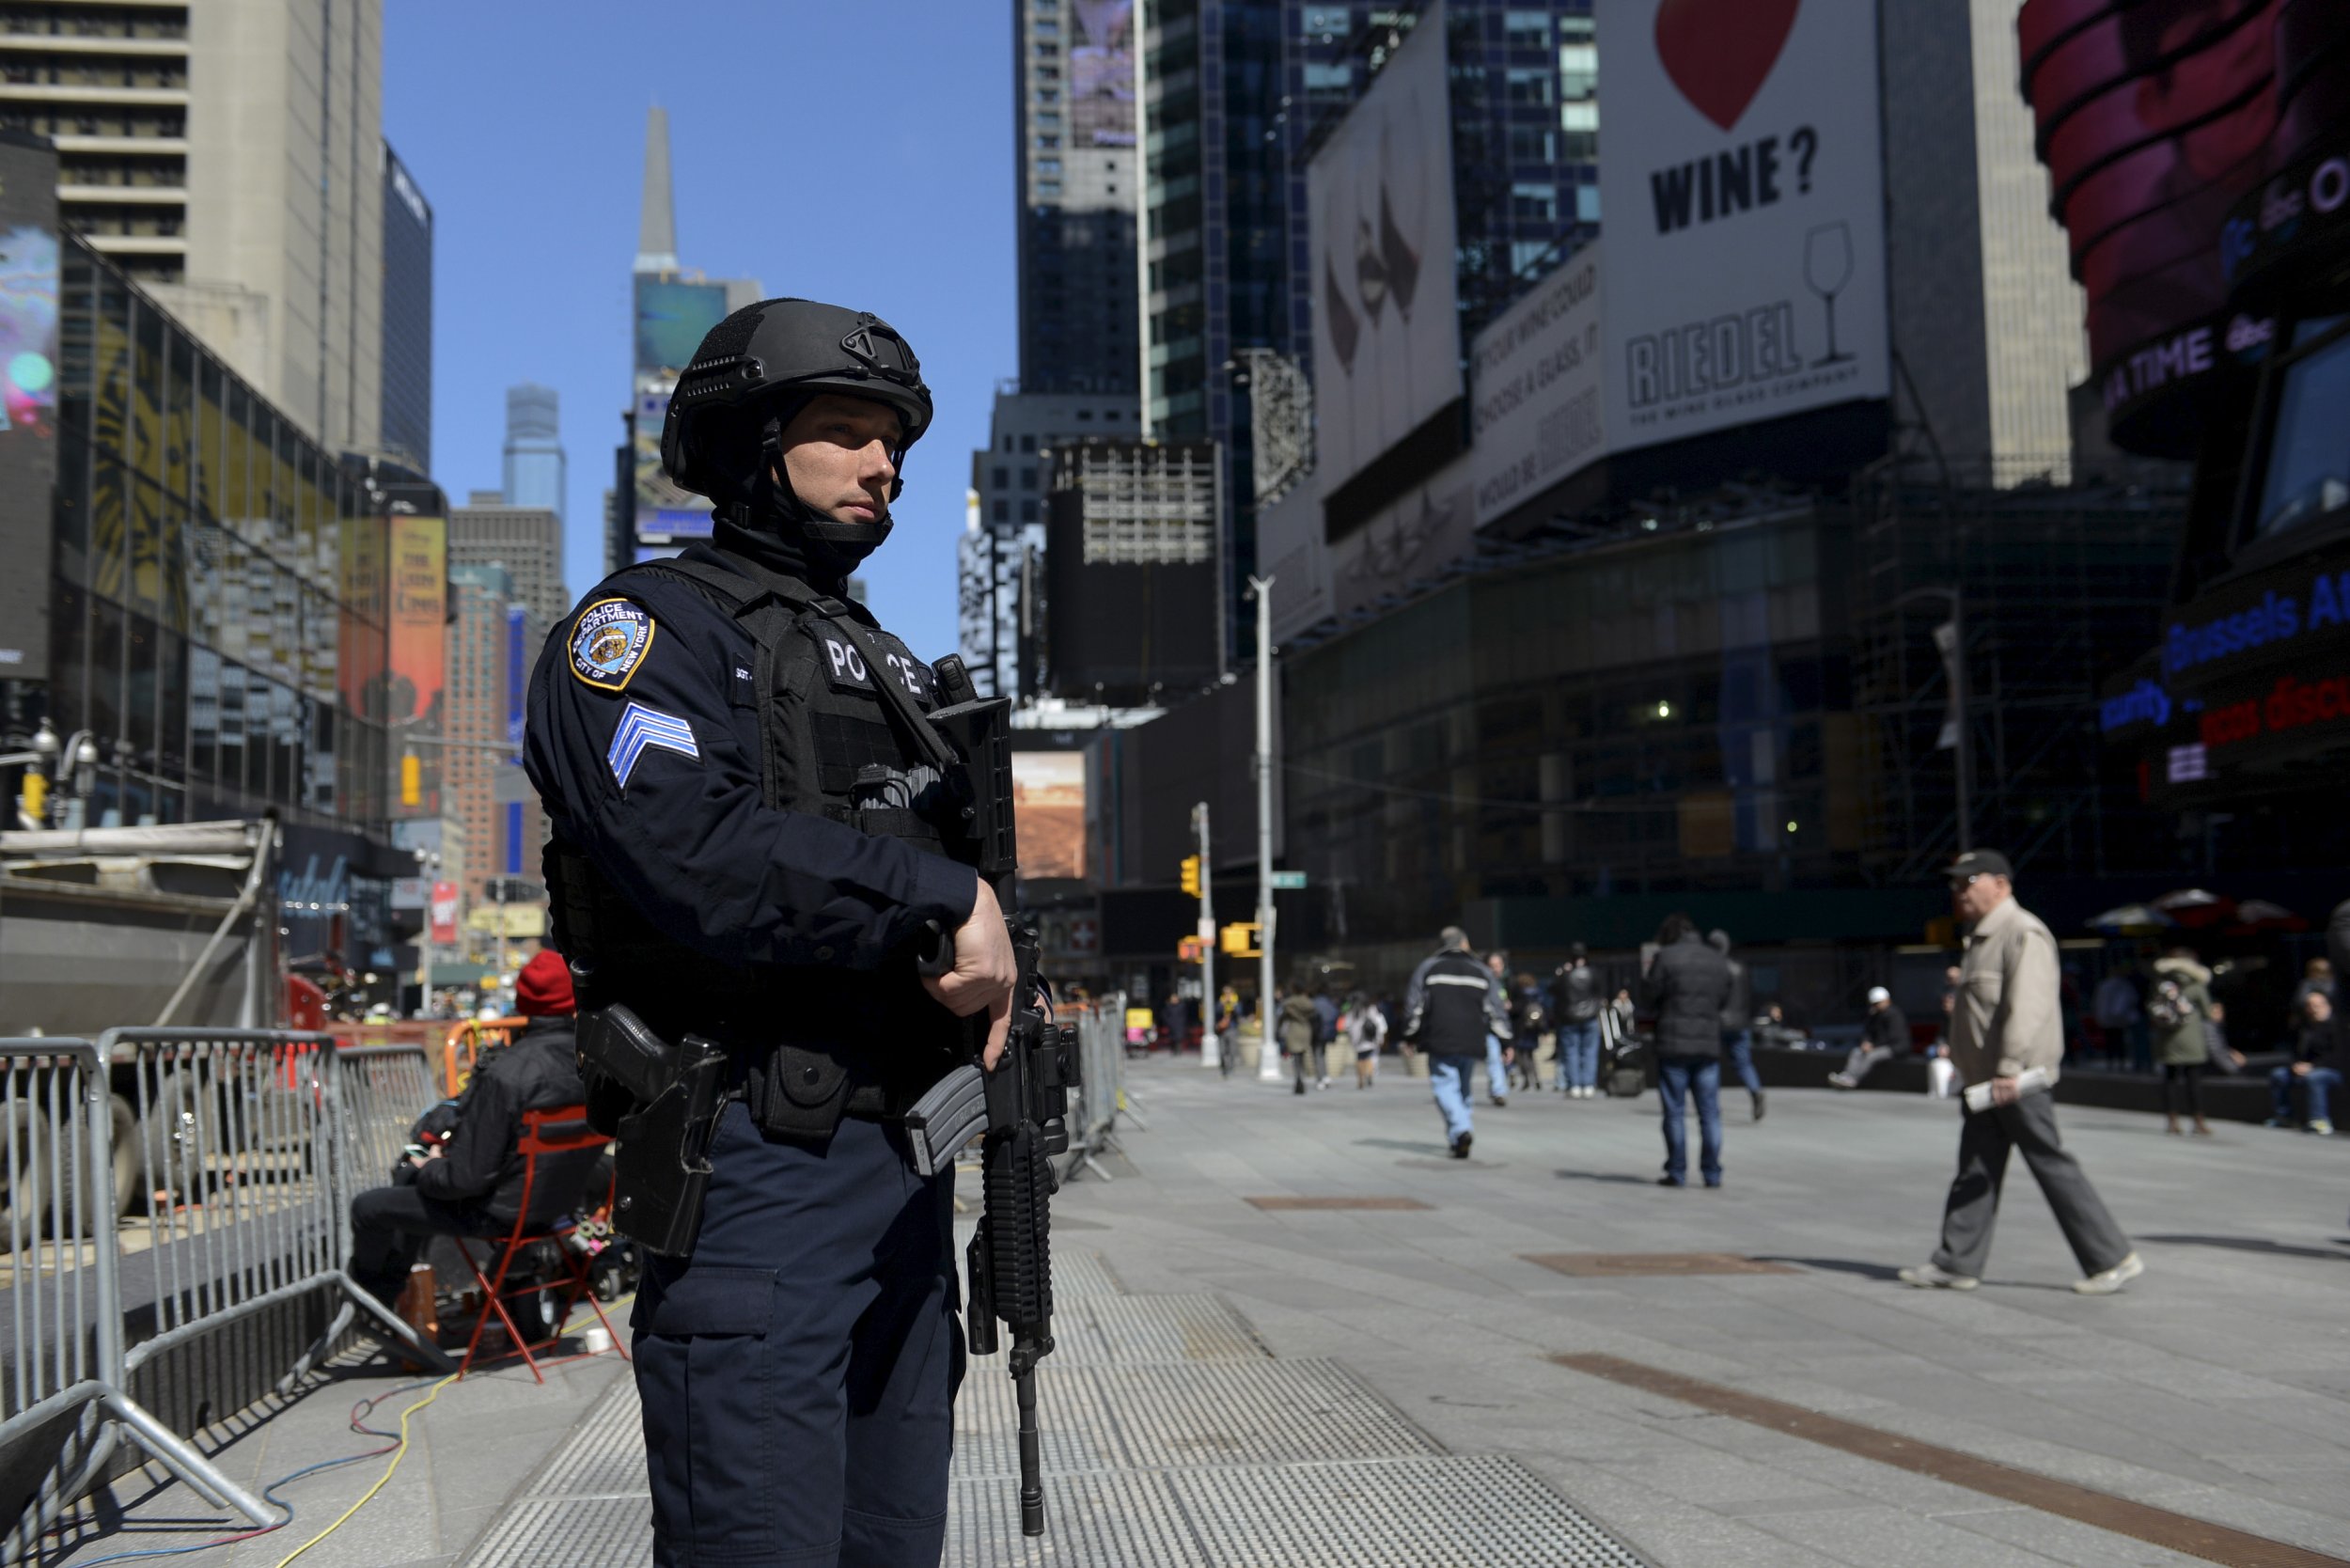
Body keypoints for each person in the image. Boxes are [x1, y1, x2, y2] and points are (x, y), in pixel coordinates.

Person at [524, 298, 1020, 1568]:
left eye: (894, 440)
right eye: (846, 431)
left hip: (908, 1171)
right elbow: (695, 849)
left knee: (892, 1543)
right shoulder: (647, 633)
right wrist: (943, 902)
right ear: (752, 442)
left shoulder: (888, 665)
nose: (883, 464)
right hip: (757, 1166)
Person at [1901, 851, 2141, 1296]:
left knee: (2051, 1164)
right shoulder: (1981, 937)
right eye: (1955, 884)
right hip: (1985, 1083)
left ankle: (2112, 1257)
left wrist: (2010, 1068)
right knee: (1975, 1169)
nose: (1959, 891)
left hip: (2013, 1079)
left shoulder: (2021, 932)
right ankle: (1956, 1263)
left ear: (2001, 885)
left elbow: (2028, 1007)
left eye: (1968, 881)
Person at [345, 949, 594, 1309]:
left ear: (523, 1001)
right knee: (411, 1186)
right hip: (560, 1208)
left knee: (369, 1206)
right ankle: (389, 1297)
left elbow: (464, 1180)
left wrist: (429, 1166)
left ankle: (371, 1300)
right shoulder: (591, 1064)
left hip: (501, 1216)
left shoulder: (507, 1074)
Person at [1640, 915, 1732, 1187]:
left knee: (1675, 1111)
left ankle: (1677, 1171)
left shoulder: (1665, 958)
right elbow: (1724, 997)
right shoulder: (1715, 959)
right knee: (1710, 1113)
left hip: (1673, 1043)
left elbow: (1650, 996)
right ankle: (1712, 1172)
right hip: (1706, 1043)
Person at [1404, 926, 1512, 1158]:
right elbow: (1495, 1010)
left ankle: (1462, 1130)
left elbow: (1415, 1006)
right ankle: (1457, 1138)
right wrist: (1506, 1041)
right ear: (1464, 943)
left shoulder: (1428, 968)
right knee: (1463, 1089)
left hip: (1440, 1037)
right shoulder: (1480, 971)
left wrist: (1410, 1036)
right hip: (1472, 1038)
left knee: (1444, 1085)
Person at [2150, 947, 2217, 1137]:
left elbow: (2152, 1006)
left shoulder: (2161, 982)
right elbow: (2207, 1011)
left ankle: (2172, 1120)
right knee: (2193, 1081)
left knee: (2170, 1079)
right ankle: (2198, 1120)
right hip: (2191, 1037)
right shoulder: (2196, 983)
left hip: (2167, 1037)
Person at [1707, 929, 1764, 1121]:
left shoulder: (1713, 970)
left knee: (1712, 1065)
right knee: (1744, 1063)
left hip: (1718, 1024)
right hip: (1741, 1023)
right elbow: (1750, 996)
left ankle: (1713, 1106)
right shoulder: (1740, 968)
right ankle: (1755, 1091)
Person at [2268, 989, 2341, 1134]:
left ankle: (2320, 1120)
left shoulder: (2338, 1027)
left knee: (2315, 1077)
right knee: (2278, 1075)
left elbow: (2338, 1056)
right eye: (2310, 1005)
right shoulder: (2304, 1028)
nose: (2313, 1009)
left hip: (2331, 1070)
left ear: (2327, 1005)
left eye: (2317, 1005)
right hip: (2305, 1069)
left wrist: (2312, 1067)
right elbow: (2294, 1052)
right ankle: (2284, 1117)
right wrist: (2294, 1066)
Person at [1829, 987, 1911, 1090]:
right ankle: (1847, 1075)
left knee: (1872, 1056)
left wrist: (1874, 1046)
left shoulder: (1894, 1014)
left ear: (1887, 1000)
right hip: (1879, 1045)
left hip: (1896, 1047)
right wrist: (1866, 1042)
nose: (1876, 1006)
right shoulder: (1874, 1015)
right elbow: (1868, 1032)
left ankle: (1854, 1079)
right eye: (1874, 1003)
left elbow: (1893, 1037)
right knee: (1856, 1052)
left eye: (1878, 1003)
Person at [1551, 944, 1605, 1098]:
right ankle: (1588, 1084)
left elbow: (1553, 990)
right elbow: (1600, 992)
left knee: (1571, 1052)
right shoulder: (1593, 973)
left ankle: (1574, 1085)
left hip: (1569, 1017)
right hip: (1590, 1017)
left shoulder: (1566, 974)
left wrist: (1561, 974)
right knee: (1590, 1052)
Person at [2090, 967, 2142, 1071]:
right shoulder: (2122, 985)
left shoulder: (2105, 985)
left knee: (2111, 1041)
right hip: (2118, 1018)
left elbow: (2097, 1002)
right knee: (2118, 1041)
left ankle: (2113, 1062)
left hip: (2108, 1018)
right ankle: (2118, 1062)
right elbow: (2132, 998)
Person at [1482, 950, 1513, 1106]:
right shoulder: (1484, 984)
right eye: (1491, 966)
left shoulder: (1509, 982)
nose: (1495, 969)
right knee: (1494, 1057)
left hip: (1508, 1027)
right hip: (1491, 1027)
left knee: (1507, 1062)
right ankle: (1498, 1091)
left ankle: (1496, 1087)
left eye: (1498, 965)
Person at [1278, 986, 1321, 1095]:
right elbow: (1314, 1013)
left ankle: (1298, 1078)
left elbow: (1282, 1017)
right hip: (1305, 1030)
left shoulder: (1289, 1003)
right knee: (1302, 1056)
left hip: (1294, 1030)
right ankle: (1301, 1078)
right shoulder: (1308, 1003)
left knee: (1296, 1057)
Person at [1352, 993, 1387, 1088]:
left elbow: (1348, 1025)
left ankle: (1360, 1078)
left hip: (1358, 1039)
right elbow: (1377, 1023)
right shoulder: (1371, 1008)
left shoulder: (1354, 1010)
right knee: (1369, 1058)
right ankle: (1370, 1075)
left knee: (1360, 1058)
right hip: (1370, 1037)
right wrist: (1380, 1037)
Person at [1312, 986, 1340, 1090]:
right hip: (1328, 1032)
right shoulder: (1330, 1003)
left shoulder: (1315, 1003)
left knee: (1318, 1055)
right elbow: (1336, 1014)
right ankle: (1325, 1075)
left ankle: (1321, 1078)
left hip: (1317, 1032)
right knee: (1322, 1053)